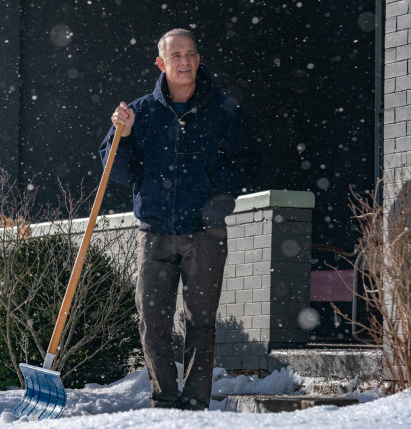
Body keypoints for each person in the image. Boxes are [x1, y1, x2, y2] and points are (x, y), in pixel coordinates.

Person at [99, 28, 261, 411]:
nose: (184, 61)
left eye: (190, 54)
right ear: (161, 63)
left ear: (198, 59)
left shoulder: (223, 109)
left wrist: (215, 197)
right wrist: (121, 135)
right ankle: (165, 398)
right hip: (154, 232)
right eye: (176, 56)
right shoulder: (140, 112)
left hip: (205, 233)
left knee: (201, 323)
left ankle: (195, 403)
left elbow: (247, 162)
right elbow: (115, 170)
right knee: (152, 322)